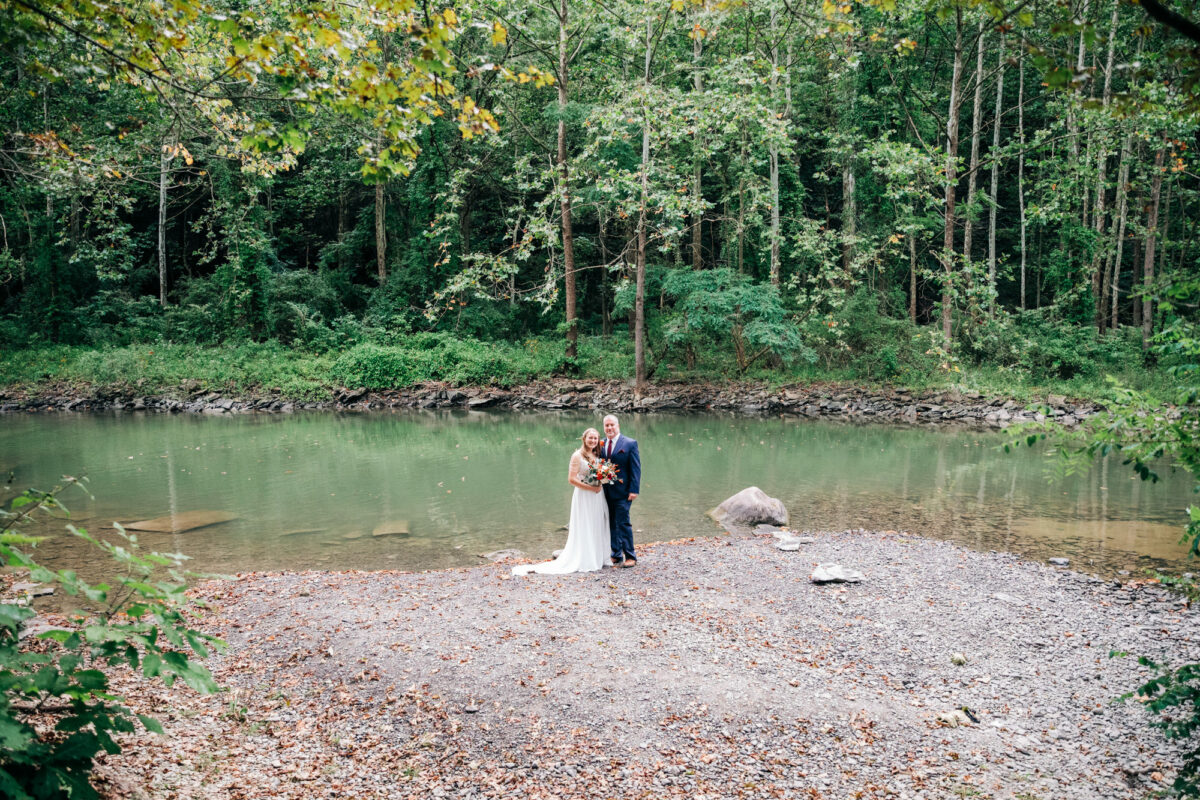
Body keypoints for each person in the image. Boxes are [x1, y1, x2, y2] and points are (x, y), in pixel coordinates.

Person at [512, 428, 610, 575]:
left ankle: (598, 556)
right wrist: (590, 487)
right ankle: (586, 558)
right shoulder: (577, 455)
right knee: (585, 524)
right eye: (590, 438)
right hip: (584, 495)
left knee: (597, 523)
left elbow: (601, 474)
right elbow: (571, 479)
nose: (593, 441)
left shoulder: (597, 454)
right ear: (584, 438)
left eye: (595, 438)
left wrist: (603, 480)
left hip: (597, 495)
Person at [600, 414, 640, 567]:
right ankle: (616, 554)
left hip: (624, 492)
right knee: (611, 523)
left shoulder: (630, 443)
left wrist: (634, 490)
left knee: (623, 523)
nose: (609, 428)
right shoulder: (601, 444)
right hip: (606, 491)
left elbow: (635, 469)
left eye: (612, 425)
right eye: (606, 426)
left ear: (618, 426)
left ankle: (630, 555)